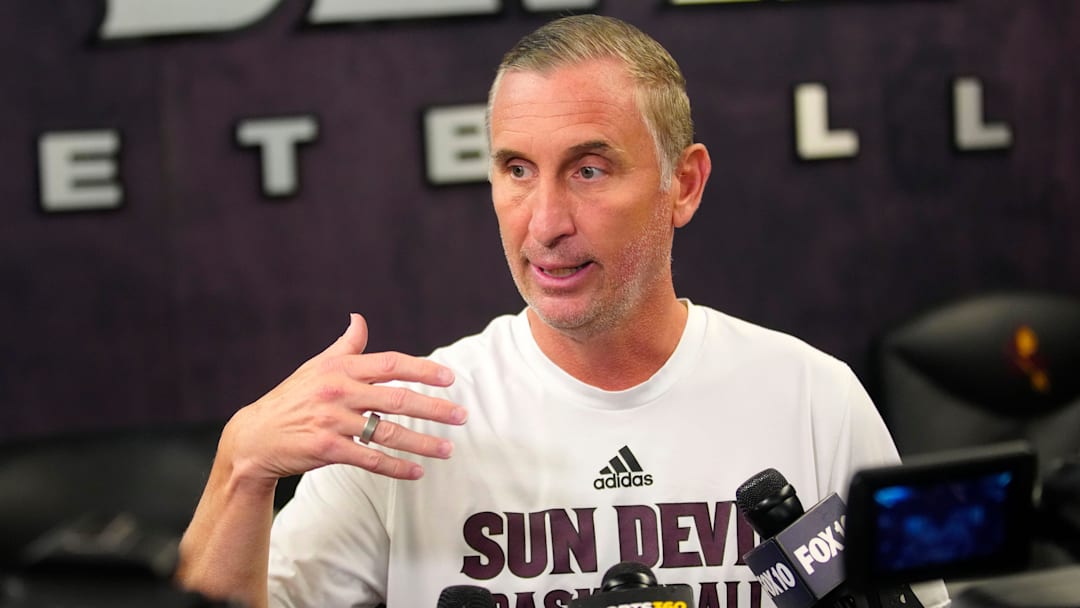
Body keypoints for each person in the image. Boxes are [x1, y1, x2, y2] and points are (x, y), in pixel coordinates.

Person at [176, 14, 949, 608]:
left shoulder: (816, 399)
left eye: (587, 169)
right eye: (517, 169)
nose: (544, 222)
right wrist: (240, 467)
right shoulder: (408, 421)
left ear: (683, 185)